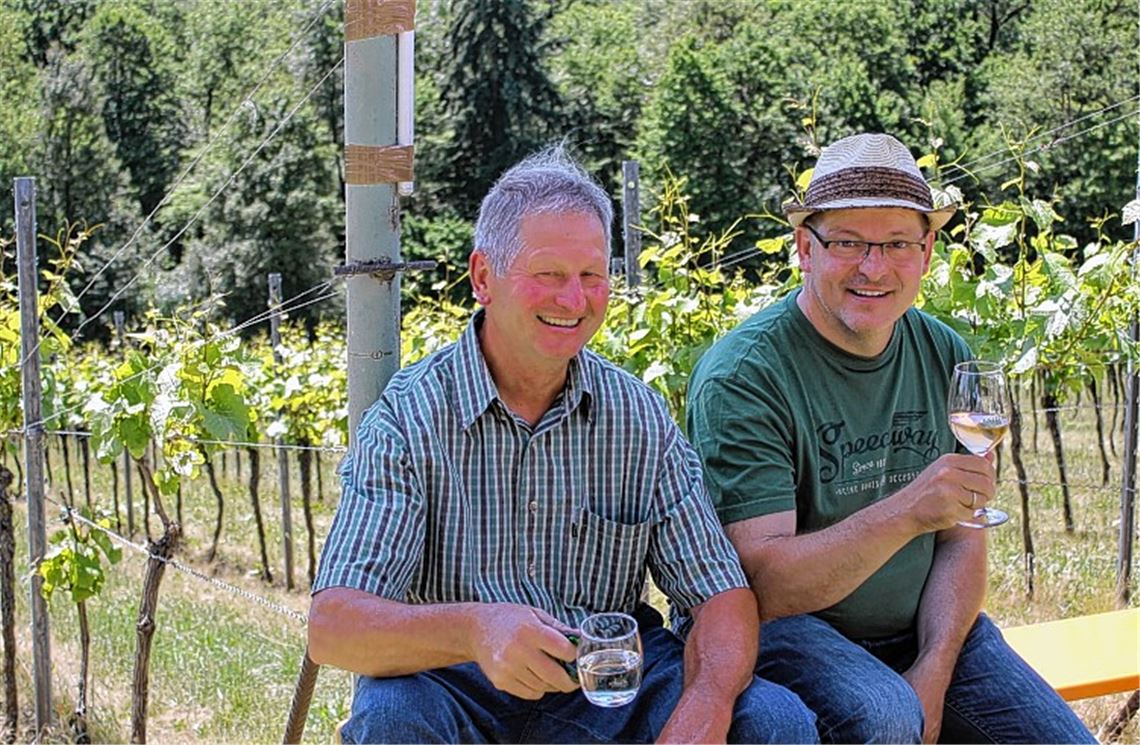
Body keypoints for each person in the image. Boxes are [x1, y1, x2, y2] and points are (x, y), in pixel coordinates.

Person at [308, 146, 817, 744]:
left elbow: (720, 596)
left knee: (773, 723)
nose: (573, 301)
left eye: (591, 276)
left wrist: (704, 708)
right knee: (392, 720)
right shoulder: (411, 417)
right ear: (482, 279)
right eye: (548, 275)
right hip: (451, 684)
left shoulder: (637, 416)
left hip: (607, 688)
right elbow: (333, 626)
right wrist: (477, 630)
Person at [686, 133, 1097, 744]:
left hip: (922, 625)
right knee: (883, 715)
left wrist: (934, 667)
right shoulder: (744, 376)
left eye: (898, 244)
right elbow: (762, 586)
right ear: (805, 247)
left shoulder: (943, 353)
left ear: (927, 251)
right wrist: (906, 512)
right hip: (789, 627)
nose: (874, 267)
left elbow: (961, 541)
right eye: (848, 242)